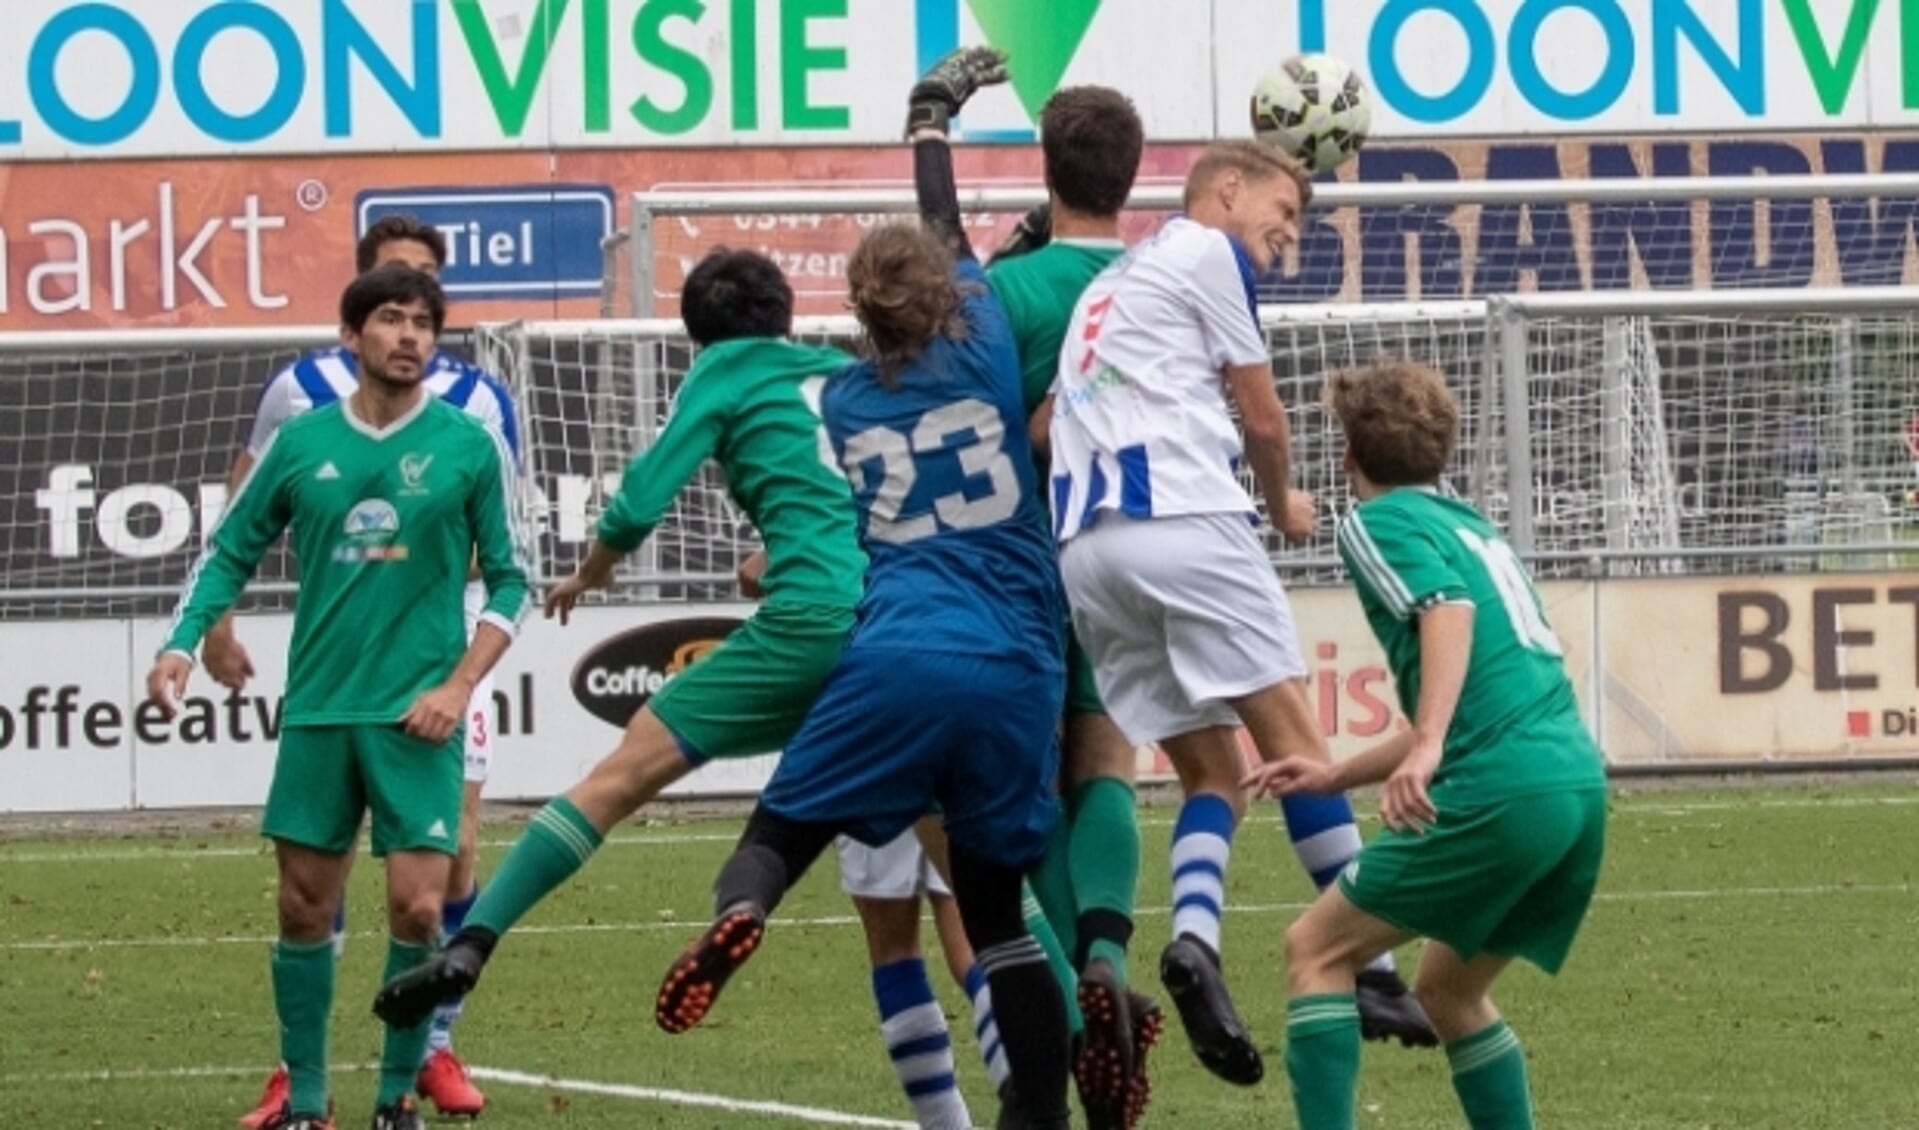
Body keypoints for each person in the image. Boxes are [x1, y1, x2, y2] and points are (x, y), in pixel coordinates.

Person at [647, 145, 1078, 1126]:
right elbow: (957, 235)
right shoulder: (986, 349)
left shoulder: (842, 399)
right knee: (997, 915)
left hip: (890, 649)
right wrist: (942, 141)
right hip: (1014, 654)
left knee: (776, 831)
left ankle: (741, 910)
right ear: (945, 297)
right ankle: (1038, 1118)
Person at [369, 249, 862, 1032]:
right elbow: (862, 503)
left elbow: (636, 506)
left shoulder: (722, 372)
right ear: (788, 314)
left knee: (615, 779)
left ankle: (474, 943)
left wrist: (589, 574)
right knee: (956, 862)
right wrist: (774, 556)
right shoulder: (838, 377)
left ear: (697, 330)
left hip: (808, 624)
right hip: (895, 626)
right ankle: (1081, 982)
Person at [1047, 139, 1435, 1087]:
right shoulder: (1203, 253)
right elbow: (1260, 415)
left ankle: (1193, 943)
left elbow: (1047, 418)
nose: (1287, 238)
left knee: (1212, 771)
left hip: (1087, 552)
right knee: (1302, 744)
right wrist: (1284, 499)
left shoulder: (1111, 286)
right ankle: (1375, 971)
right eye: (1284, 213)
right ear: (1224, 189)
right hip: (1182, 520)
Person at [147, 266, 530, 1130]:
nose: (410, 337)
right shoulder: (301, 442)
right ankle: (308, 1102)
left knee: (421, 905)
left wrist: (458, 683)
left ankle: (396, 1096)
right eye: (391, 320)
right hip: (321, 710)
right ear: (352, 335)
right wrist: (181, 642)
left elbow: (514, 584)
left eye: (425, 324)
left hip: (419, 714)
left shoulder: (471, 446)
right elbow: (227, 554)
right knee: (302, 907)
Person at [1244, 359, 1607, 1130]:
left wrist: (1428, 746)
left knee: (1315, 950)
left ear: (1346, 457)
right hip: (1572, 785)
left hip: (1501, 789)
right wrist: (1339, 770)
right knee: (1448, 992)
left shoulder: (1373, 523)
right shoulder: (1476, 530)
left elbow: (1445, 611)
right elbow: (1471, 679)